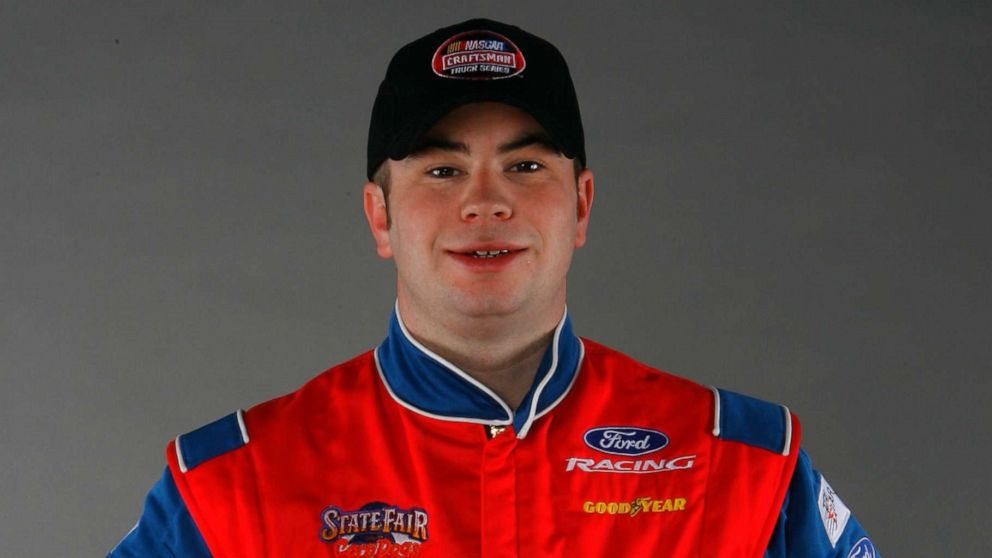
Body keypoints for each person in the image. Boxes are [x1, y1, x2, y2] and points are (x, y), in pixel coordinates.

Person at [109, 18, 878, 558]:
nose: (486, 202)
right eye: (442, 170)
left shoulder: (741, 464)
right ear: (380, 216)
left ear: (580, 204)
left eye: (526, 166)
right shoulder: (231, 486)